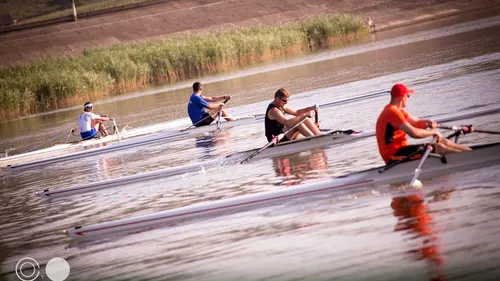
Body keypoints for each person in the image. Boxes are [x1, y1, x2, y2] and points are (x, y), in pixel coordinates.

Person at [376, 83, 471, 164]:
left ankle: (472, 153)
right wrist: (433, 132)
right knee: (440, 147)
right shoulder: (392, 112)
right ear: (403, 97)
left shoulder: (398, 111)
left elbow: (417, 122)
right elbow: (415, 133)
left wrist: (428, 123)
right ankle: (470, 159)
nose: (408, 99)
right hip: (393, 156)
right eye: (408, 96)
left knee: (444, 142)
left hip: (402, 150)